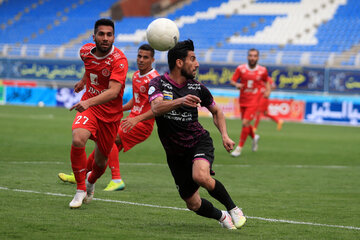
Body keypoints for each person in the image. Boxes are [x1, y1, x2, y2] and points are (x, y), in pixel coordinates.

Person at [148, 39, 246, 229]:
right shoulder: (158, 83)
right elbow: (156, 107)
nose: (197, 63)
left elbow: (217, 112)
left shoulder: (197, 87)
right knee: (192, 203)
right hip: (175, 154)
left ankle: (234, 209)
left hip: (198, 142)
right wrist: (181, 100)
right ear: (179, 62)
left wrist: (224, 135)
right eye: (192, 59)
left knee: (200, 176)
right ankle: (222, 216)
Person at [58, 44, 159, 191]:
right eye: (139, 56)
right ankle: (81, 174)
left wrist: (136, 119)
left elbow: (157, 108)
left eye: (146, 57)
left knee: (108, 139)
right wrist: (120, 109)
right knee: (102, 148)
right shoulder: (137, 75)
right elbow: (136, 101)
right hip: (130, 119)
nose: (141, 60)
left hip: (142, 124)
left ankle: (116, 179)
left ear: (153, 60)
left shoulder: (155, 79)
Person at [67, 18, 128, 209]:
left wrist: (87, 101)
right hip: (91, 109)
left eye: (109, 35)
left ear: (114, 38)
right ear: (94, 36)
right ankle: (79, 190)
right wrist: (83, 81)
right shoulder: (85, 51)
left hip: (110, 117)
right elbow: (90, 66)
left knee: (100, 165)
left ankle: (90, 182)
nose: (105, 38)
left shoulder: (119, 60)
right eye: (101, 34)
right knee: (78, 138)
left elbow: (113, 92)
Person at [229, 48, 270, 157]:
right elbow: (232, 81)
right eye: (251, 55)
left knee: (245, 123)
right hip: (243, 100)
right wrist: (236, 85)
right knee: (246, 124)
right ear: (247, 57)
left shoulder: (262, 70)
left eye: (255, 56)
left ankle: (239, 148)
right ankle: (254, 137)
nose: (252, 58)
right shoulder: (241, 68)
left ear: (258, 57)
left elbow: (267, 81)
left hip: (254, 101)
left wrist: (268, 91)